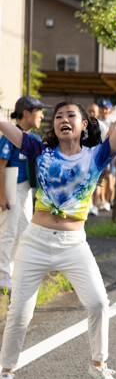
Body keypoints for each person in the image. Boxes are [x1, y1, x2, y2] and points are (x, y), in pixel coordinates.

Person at [0, 62, 116, 379]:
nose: (64, 119)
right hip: (35, 242)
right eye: (59, 116)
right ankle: (6, 375)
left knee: (98, 303)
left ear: (84, 125)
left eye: (71, 116)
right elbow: (8, 128)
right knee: (20, 313)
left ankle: (98, 364)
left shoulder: (97, 155)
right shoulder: (39, 150)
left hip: (74, 243)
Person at [0, 97, 49, 291]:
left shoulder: (35, 139)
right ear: (26, 112)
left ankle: (11, 272)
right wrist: (2, 195)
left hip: (27, 188)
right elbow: (1, 166)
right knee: (8, 231)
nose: (42, 115)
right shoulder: (10, 135)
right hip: (10, 184)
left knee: (24, 232)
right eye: (39, 110)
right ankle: (3, 275)